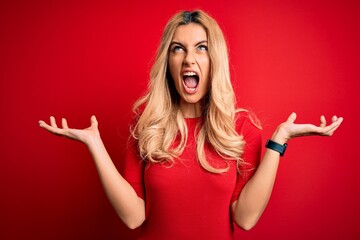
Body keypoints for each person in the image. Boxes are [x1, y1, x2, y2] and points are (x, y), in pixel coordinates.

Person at [38, 10, 343, 240]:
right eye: (178, 48)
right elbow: (133, 217)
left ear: (215, 60)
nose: (189, 59)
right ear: (168, 61)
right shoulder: (148, 125)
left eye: (201, 47)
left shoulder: (242, 128)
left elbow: (246, 218)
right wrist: (95, 145)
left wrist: (279, 141)